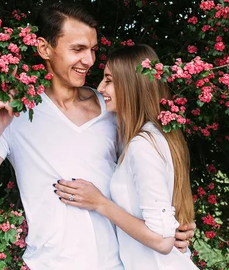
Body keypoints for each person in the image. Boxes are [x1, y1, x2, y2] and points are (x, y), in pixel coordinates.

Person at [0, 4, 195, 270]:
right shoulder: (16, 114)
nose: (89, 61)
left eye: (92, 50)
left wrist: (175, 225)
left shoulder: (112, 108)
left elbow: (150, 178)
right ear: (44, 48)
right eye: (77, 49)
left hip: (119, 265)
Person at [54, 44, 199, 270]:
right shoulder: (152, 136)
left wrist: (100, 203)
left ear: (132, 85)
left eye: (109, 80)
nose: (100, 88)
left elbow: (162, 240)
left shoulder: (144, 145)